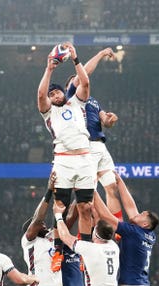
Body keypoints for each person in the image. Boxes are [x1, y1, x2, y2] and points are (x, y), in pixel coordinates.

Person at [37, 41, 97, 271]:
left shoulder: (77, 103)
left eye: (57, 91)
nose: (54, 95)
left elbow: (86, 81)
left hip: (84, 159)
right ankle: (59, 250)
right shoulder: (48, 113)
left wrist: (75, 59)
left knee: (85, 207)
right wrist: (49, 68)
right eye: (51, 94)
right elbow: (40, 93)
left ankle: (85, 251)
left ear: (63, 91)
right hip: (62, 160)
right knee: (60, 206)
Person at [65, 47, 122, 219]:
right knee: (88, 197)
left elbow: (105, 121)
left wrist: (110, 120)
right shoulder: (71, 97)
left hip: (100, 146)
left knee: (112, 188)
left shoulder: (94, 102)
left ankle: (117, 229)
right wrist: (101, 54)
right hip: (86, 146)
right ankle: (88, 232)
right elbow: (85, 75)